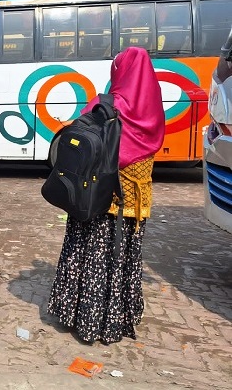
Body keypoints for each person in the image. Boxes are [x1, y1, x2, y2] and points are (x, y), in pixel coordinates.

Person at [47, 47, 165, 344]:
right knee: (121, 260)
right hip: (133, 206)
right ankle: (116, 320)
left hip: (97, 200)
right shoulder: (154, 111)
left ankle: (81, 317)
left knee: (89, 256)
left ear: (119, 72)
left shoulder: (102, 105)